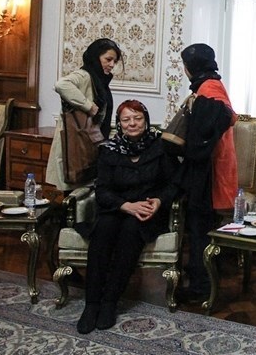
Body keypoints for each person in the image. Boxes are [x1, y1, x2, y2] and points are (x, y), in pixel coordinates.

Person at [76, 99, 181, 334]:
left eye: (137, 118)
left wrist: (159, 201)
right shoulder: (109, 150)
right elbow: (102, 191)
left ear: (146, 120)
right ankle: (91, 304)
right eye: (126, 119)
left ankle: (109, 302)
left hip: (146, 212)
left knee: (131, 231)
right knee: (103, 230)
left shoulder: (161, 147)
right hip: (117, 208)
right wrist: (125, 206)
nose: (132, 123)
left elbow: (174, 184)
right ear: (119, 123)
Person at [175, 43, 237, 303]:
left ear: (190, 68)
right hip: (212, 168)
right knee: (201, 226)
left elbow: (201, 138)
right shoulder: (212, 86)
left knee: (199, 228)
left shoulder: (208, 91)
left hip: (208, 172)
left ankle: (200, 286)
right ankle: (203, 276)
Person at [46, 38, 124, 193]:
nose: (111, 65)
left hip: (88, 144)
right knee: (75, 194)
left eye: (114, 62)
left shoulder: (100, 80)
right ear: (96, 57)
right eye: (108, 59)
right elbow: (61, 84)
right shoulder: (84, 75)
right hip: (77, 146)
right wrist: (88, 106)